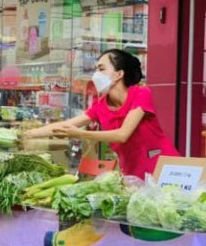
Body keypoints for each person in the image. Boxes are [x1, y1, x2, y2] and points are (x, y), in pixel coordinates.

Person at [24, 49, 179, 179]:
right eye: (96, 69)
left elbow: (122, 135)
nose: (95, 75)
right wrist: (29, 134)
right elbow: (66, 125)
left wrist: (81, 134)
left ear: (119, 74)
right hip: (132, 173)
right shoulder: (100, 105)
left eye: (101, 69)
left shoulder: (141, 93)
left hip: (163, 169)